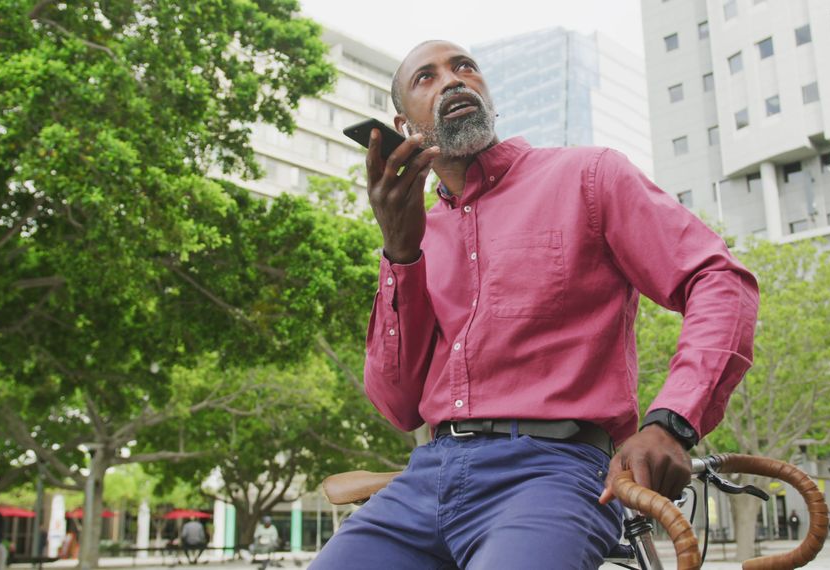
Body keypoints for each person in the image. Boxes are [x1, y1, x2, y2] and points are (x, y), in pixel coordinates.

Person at [310, 39, 759, 570]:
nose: (453, 80)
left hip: (556, 473)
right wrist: (400, 254)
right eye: (425, 78)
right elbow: (397, 404)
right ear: (403, 127)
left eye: (464, 67)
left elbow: (718, 278)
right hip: (425, 478)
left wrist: (672, 422)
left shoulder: (591, 177)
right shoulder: (416, 236)